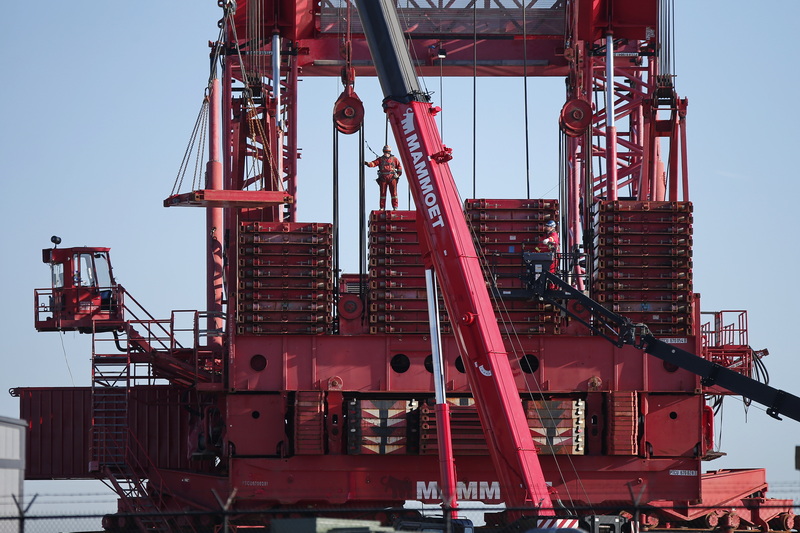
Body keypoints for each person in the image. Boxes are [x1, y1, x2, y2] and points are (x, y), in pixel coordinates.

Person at [365, 145, 402, 210]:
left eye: (387, 152)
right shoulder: (381, 159)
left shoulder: (394, 159)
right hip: (383, 178)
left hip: (392, 178)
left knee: (394, 193)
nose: (386, 154)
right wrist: (367, 163)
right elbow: (373, 163)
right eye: (385, 152)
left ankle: (395, 207)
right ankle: (382, 207)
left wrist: (398, 175)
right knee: (383, 194)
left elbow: (399, 167)